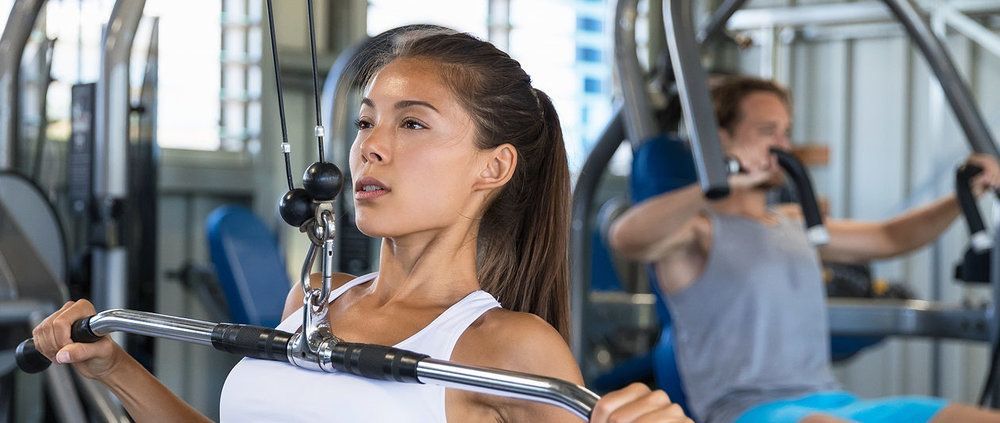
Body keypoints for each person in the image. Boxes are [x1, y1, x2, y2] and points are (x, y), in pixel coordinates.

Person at [29, 28, 691, 422]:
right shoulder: (316, 298)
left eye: (412, 122)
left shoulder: (508, 346)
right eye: (367, 120)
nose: (370, 146)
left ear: (493, 167)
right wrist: (114, 367)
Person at [609, 75, 1000, 423]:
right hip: (747, 409)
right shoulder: (696, 233)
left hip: (830, 400)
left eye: (786, 132)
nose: (783, 145)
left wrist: (962, 197)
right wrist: (724, 180)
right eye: (768, 131)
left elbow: (890, 237)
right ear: (721, 138)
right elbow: (625, 236)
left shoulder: (795, 221)